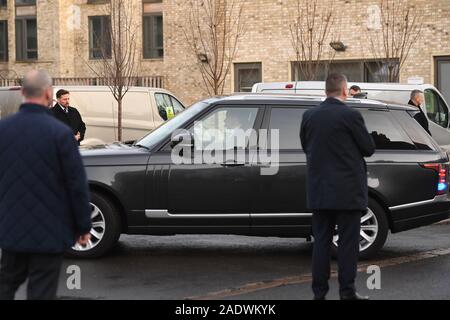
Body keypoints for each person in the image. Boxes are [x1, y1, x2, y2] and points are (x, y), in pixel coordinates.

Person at [0, 70, 92, 300]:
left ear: (22, 93)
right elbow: (76, 184)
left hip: (11, 230)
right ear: (49, 94)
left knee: (5, 285)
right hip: (50, 232)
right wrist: (83, 226)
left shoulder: (3, 131)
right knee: (41, 292)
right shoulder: (60, 135)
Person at [300, 74, 375, 300]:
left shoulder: (309, 116)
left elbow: (306, 146)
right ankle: (347, 293)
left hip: (320, 190)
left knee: (321, 243)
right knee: (347, 245)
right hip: (348, 192)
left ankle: (319, 294)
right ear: (344, 91)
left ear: (326, 91)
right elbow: (368, 148)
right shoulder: (351, 115)